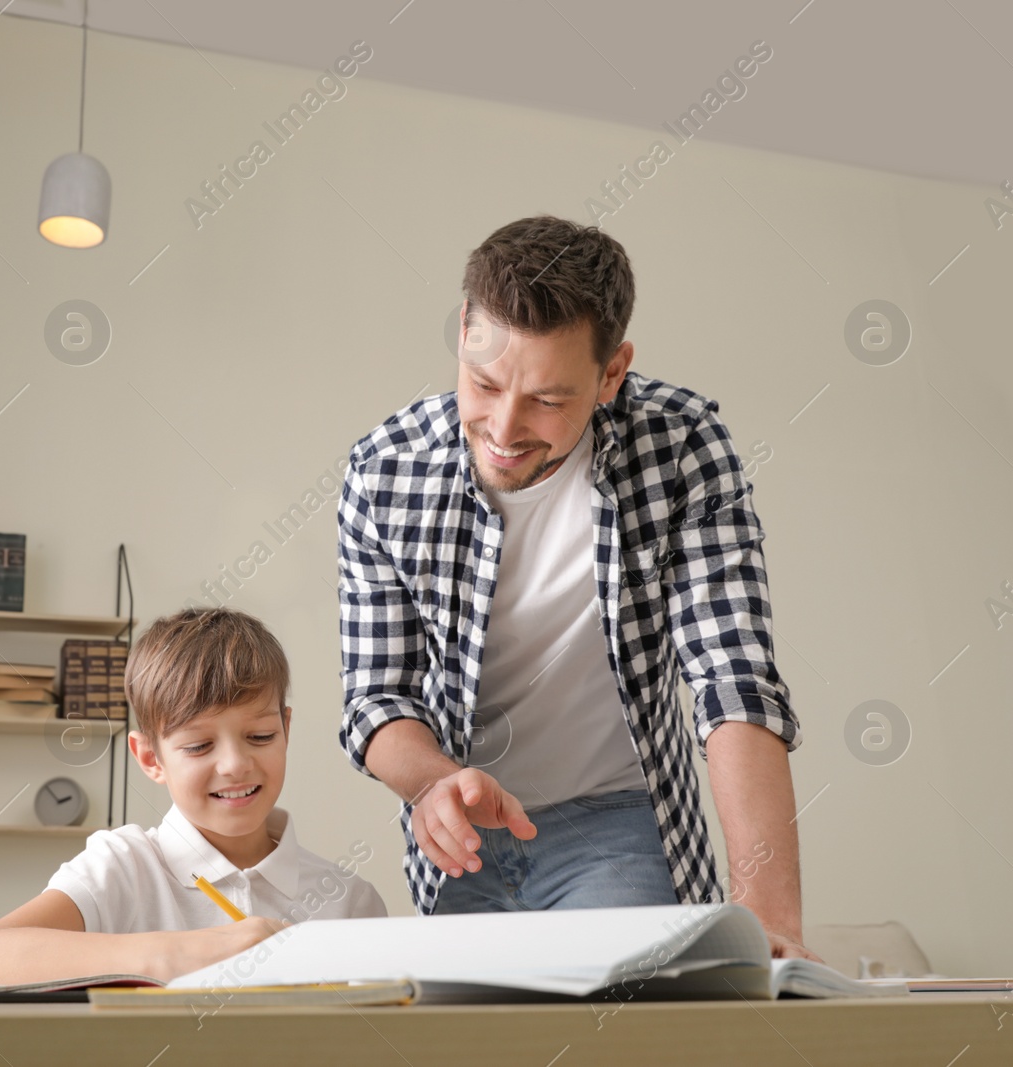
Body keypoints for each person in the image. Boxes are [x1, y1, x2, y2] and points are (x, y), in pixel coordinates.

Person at [336, 214, 822, 960]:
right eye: (484, 382)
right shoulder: (383, 472)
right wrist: (434, 782)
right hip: (462, 834)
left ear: (611, 373)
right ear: (464, 327)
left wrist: (770, 920)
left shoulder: (682, 447)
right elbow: (378, 697)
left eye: (548, 400)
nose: (503, 425)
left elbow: (733, 681)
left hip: (619, 824)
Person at [0, 607, 386, 990]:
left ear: (286, 730)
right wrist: (174, 953)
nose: (235, 764)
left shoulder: (349, 901)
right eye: (198, 746)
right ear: (151, 758)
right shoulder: (123, 866)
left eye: (260, 735)